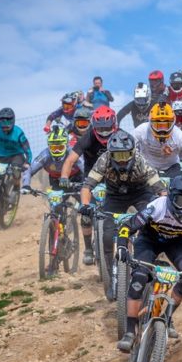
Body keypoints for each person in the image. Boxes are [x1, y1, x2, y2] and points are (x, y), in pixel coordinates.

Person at [115, 175, 182, 351]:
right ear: (171, 197)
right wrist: (122, 247)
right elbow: (128, 225)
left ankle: (167, 317)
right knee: (139, 277)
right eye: (181, 200)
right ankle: (129, 331)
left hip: (178, 244)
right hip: (149, 240)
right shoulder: (157, 206)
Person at [77, 130, 165, 269]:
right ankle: (110, 273)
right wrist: (85, 205)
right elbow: (87, 186)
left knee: (152, 224)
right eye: (117, 156)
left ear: (133, 152)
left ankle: (153, 260)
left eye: (126, 155)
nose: (122, 160)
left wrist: (163, 204)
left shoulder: (140, 161)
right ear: (110, 154)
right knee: (107, 235)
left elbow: (159, 187)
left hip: (140, 193)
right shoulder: (104, 160)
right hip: (115, 197)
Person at [60, 105, 119, 264]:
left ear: (114, 124)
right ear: (94, 126)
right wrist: (64, 176)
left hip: (114, 178)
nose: (104, 131)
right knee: (86, 213)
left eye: (107, 128)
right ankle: (88, 248)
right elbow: (70, 160)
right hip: (91, 178)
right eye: (100, 128)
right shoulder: (87, 137)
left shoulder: (121, 136)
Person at [130, 103, 182, 182]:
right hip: (147, 168)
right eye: (158, 125)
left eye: (166, 125)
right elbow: (129, 147)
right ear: (150, 122)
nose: (162, 130)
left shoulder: (179, 135)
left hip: (171, 168)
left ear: (173, 122)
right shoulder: (141, 130)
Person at [21, 124, 84, 193]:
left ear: (66, 145)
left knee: (88, 200)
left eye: (60, 148)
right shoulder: (44, 155)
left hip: (77, 179)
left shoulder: (73, 153)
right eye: (54, 148)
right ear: (49, 146)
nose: (57, 151)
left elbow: (85, 167)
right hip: (57, 181)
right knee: (55, 203)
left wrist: (91, 182)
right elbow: (29, 169)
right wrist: (26, 185)